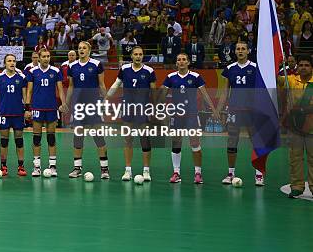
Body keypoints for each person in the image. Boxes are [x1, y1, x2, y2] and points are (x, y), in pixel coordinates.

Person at [160, 53, 218, 184]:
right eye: (179, 59)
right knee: (176, 142)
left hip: (191, 115)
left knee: (195, 143)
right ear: (176, 63)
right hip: (176, 115)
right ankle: (176, 172)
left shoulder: (196, 77)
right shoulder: (170, 77)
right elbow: (161, 96)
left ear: (188, 62)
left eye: (184, 59)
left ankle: (198, 173)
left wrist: (214, 110)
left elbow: (205, 94)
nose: (181, 62)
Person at [216, 41, 265, 186]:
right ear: (235, 52)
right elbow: (225, 91)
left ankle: (259, 174)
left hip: (252, 110)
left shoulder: (256, 68)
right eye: (238, 49)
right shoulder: (230, 68)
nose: (240, 51)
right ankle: (231, 173)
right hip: (235, 109)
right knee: (232, 140)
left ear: (248, 51)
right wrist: (218, 109)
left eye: (243, 48)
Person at [107, 46, 156, 182]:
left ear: (143, 56)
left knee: (144, 139)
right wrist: (106, 98)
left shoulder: (149, 71)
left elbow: (154, 92)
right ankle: (127, 170)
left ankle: (146, 171)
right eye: (135, 54)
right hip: (128, 108)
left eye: (140, 54)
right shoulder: (124, 69)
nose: (138, 56)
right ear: (131, 56)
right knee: (128, 139)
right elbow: (116, 84)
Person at [65, 41, 109, 179]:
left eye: (84, 48)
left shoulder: (96, 65)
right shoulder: (72, 66)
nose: (81, 50)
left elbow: (101, 84)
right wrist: (66, 103)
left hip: (93, 105)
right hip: (78, 106)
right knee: (78, 137)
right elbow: (71, 86)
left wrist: (106, 99)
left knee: (98, 136)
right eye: (79, 48)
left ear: (89, 50)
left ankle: (104, 169)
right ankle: (77, 168)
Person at [25, 49, 65, 177]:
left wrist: (63, 104)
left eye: (48, 56)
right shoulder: (32, 72)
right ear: (39, 58)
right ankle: (37, 166)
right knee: (37, 138)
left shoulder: (56, 71)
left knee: (51, 138)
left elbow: (60, 89)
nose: (46, 59)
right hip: (37, 108)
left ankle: (52, 166)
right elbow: (29, 91)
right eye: (44, 57)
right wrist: (27, 108)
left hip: (51, 108)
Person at [281, 54, 313, 198]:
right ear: (296, 67)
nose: (304, 68)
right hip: (295, 127)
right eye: (301, 65)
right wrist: (277, 62)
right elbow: (275, 78)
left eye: (307, 65)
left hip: (311, 127)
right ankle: (297, 187)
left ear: (311, 67)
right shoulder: (291, 81)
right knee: (295, 158)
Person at [0, 54, 28, 176]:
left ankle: (21, 166)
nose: (12, 63)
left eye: (14, 61)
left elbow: (25, 95)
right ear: (5, 63)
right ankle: (3, 166)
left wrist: (27, 109)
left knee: (19, 141)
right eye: (9, 61)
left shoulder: (21, 77)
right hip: (4, 113)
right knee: (4, 141)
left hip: (18, 113)